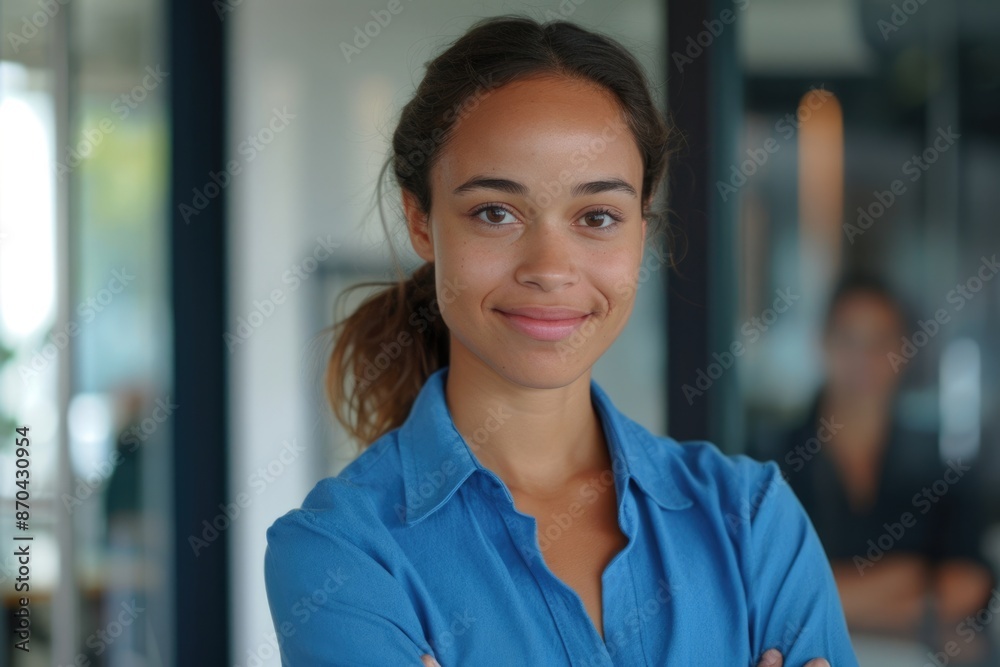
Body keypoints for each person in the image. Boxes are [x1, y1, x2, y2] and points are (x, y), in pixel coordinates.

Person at [263, 15, 856, 666]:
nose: (549, 266)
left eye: (597, 216)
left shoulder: (752, 520)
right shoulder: (340, 553)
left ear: (641, 228)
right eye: (496, 212)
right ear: (422, 222)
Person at [772, 274, 996, 661]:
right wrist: (907, 580)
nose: (865, 359)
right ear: (822, 344)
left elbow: (970, 585)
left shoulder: (941, 467)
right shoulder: (771, 460)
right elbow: (764, 590)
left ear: (904, 351)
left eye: (879, 342)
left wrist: (826, 597)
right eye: (850, 340)